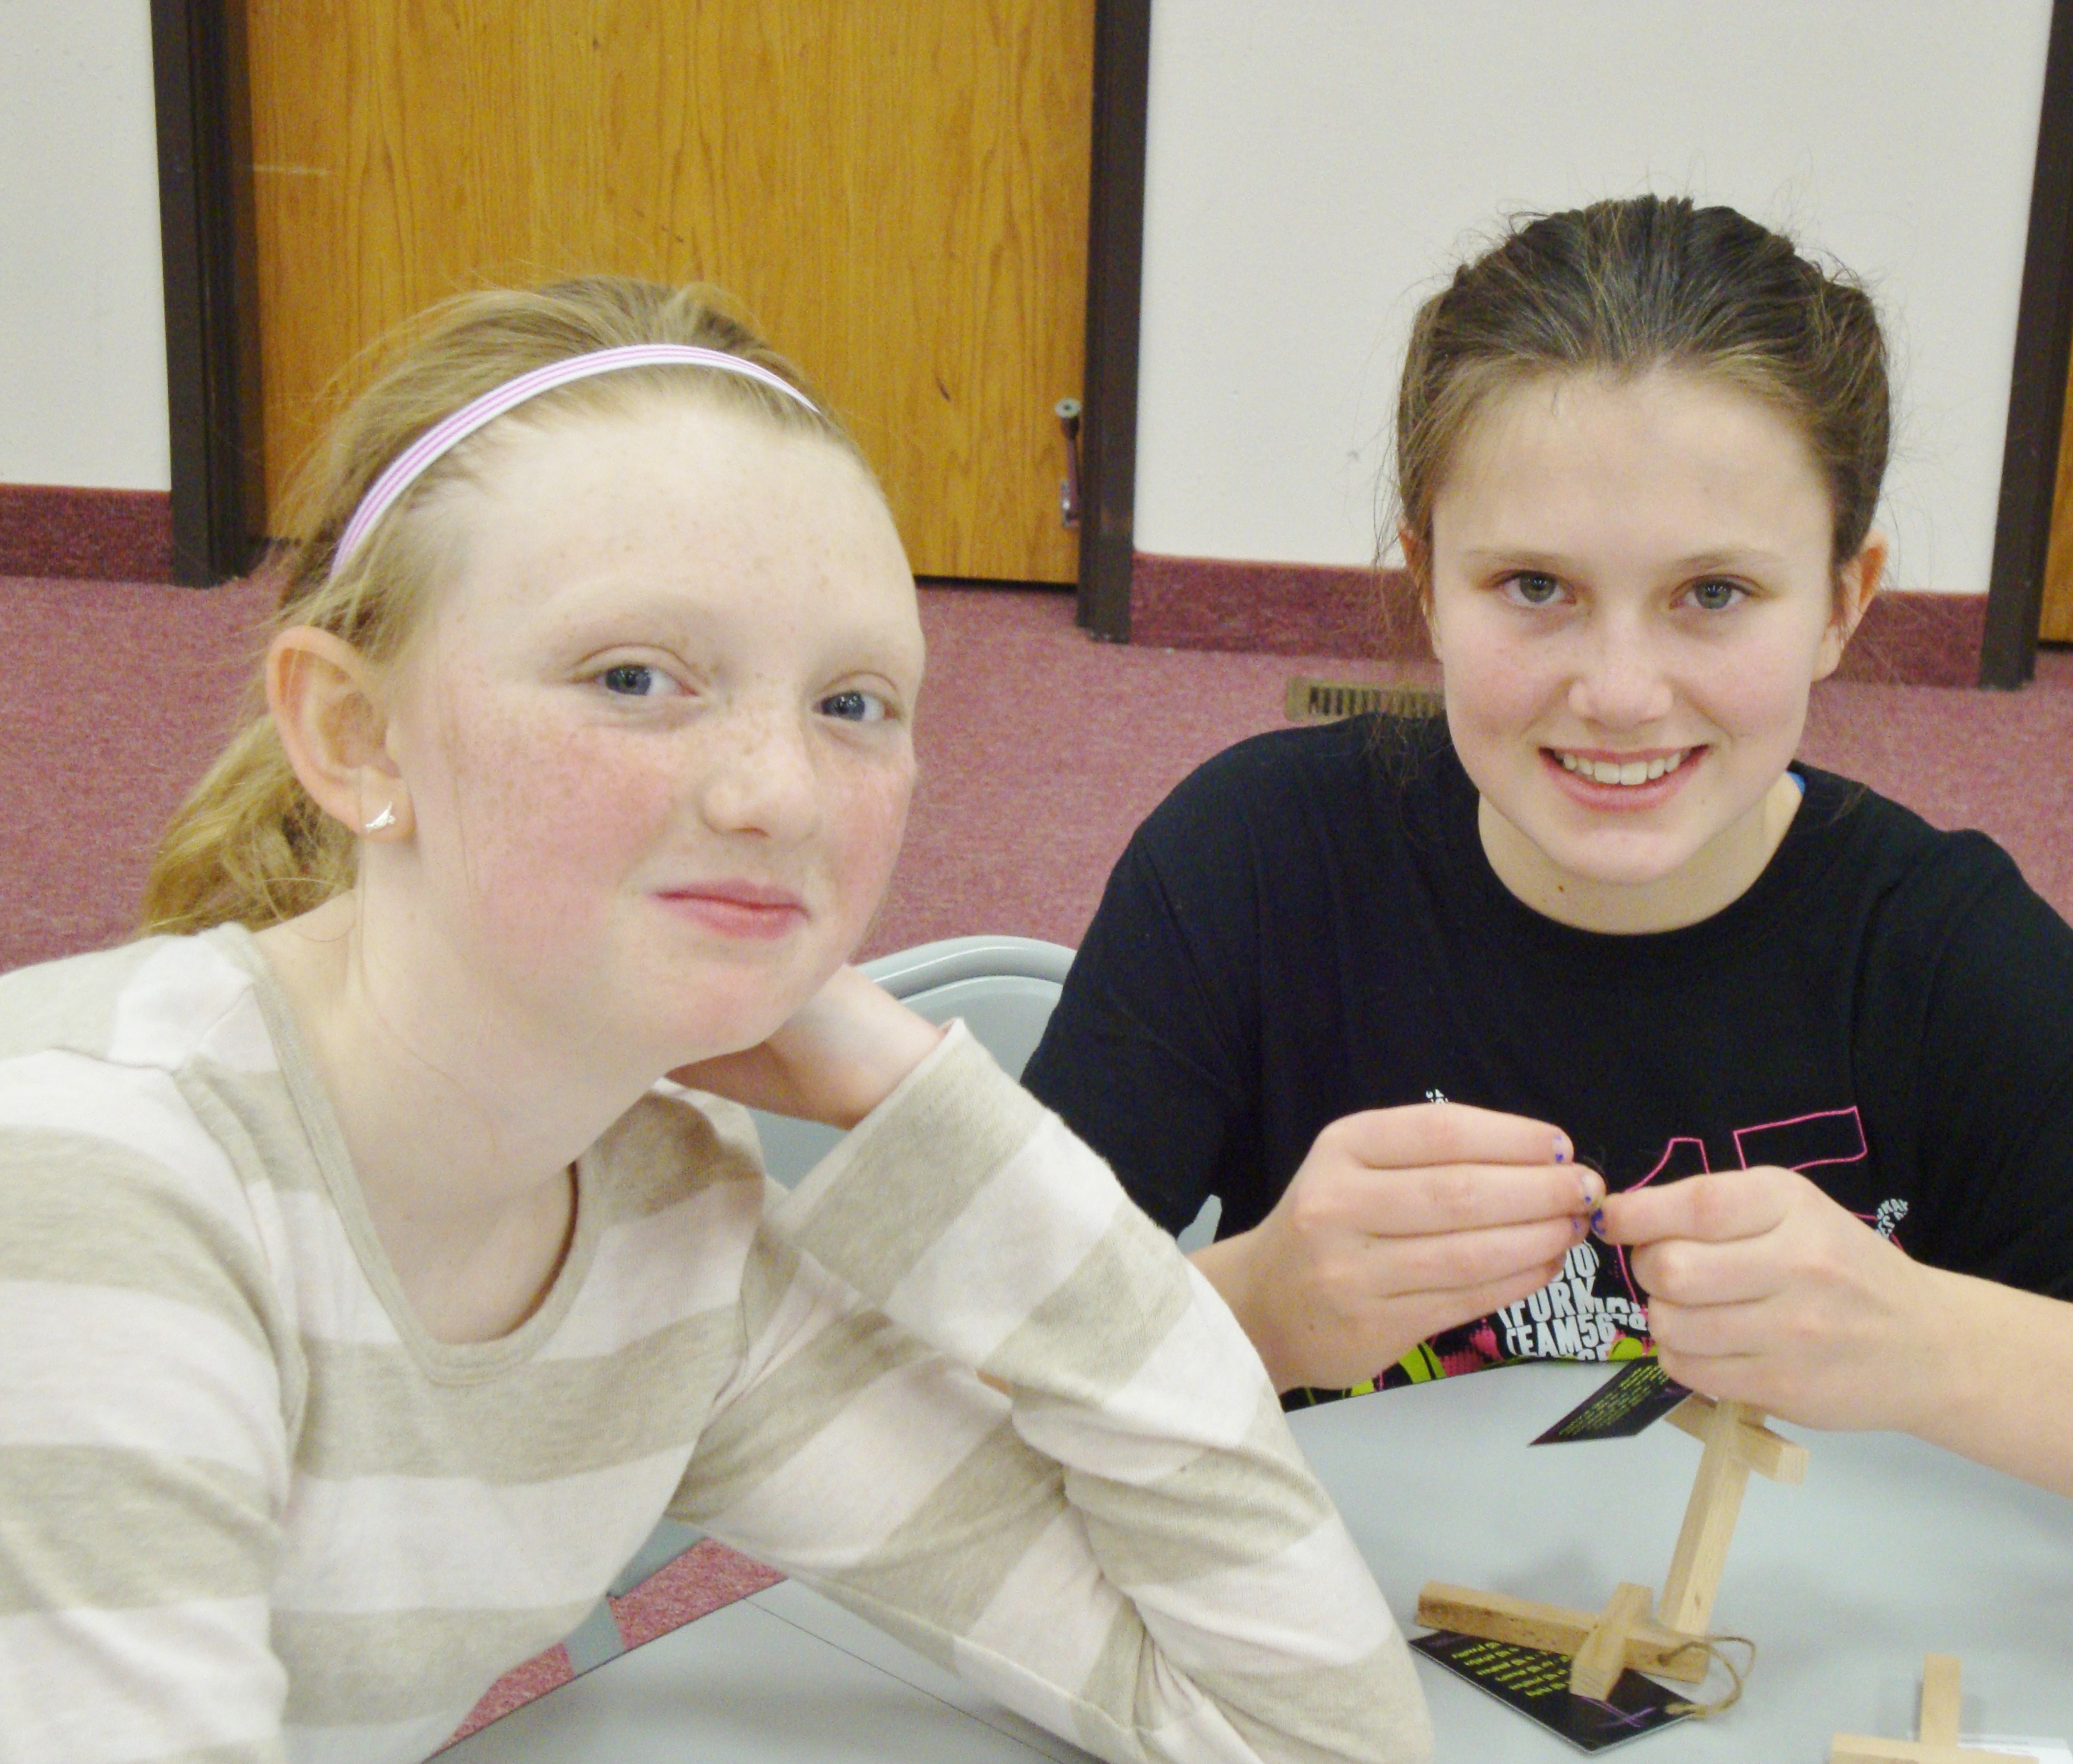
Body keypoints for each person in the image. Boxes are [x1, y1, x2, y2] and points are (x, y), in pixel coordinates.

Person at [0, 278, 1430, 1762]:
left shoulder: (660, 1218)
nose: (779, 796)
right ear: (356, 734)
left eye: (852, 704)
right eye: (635, 678)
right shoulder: (95, 1192)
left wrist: (929, 1108)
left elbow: (1307, 1731)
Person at [1022, 198, 2073, 1604]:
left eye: (1711, 594)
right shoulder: (1254, 864)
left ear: (1841, 603)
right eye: (1532, 586)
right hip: (1319, 1650)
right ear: (1423, 582)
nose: (1617, 693)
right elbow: (925, 1406)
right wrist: (1253, 1308)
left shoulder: (1932, 952)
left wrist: (1929, 1346)